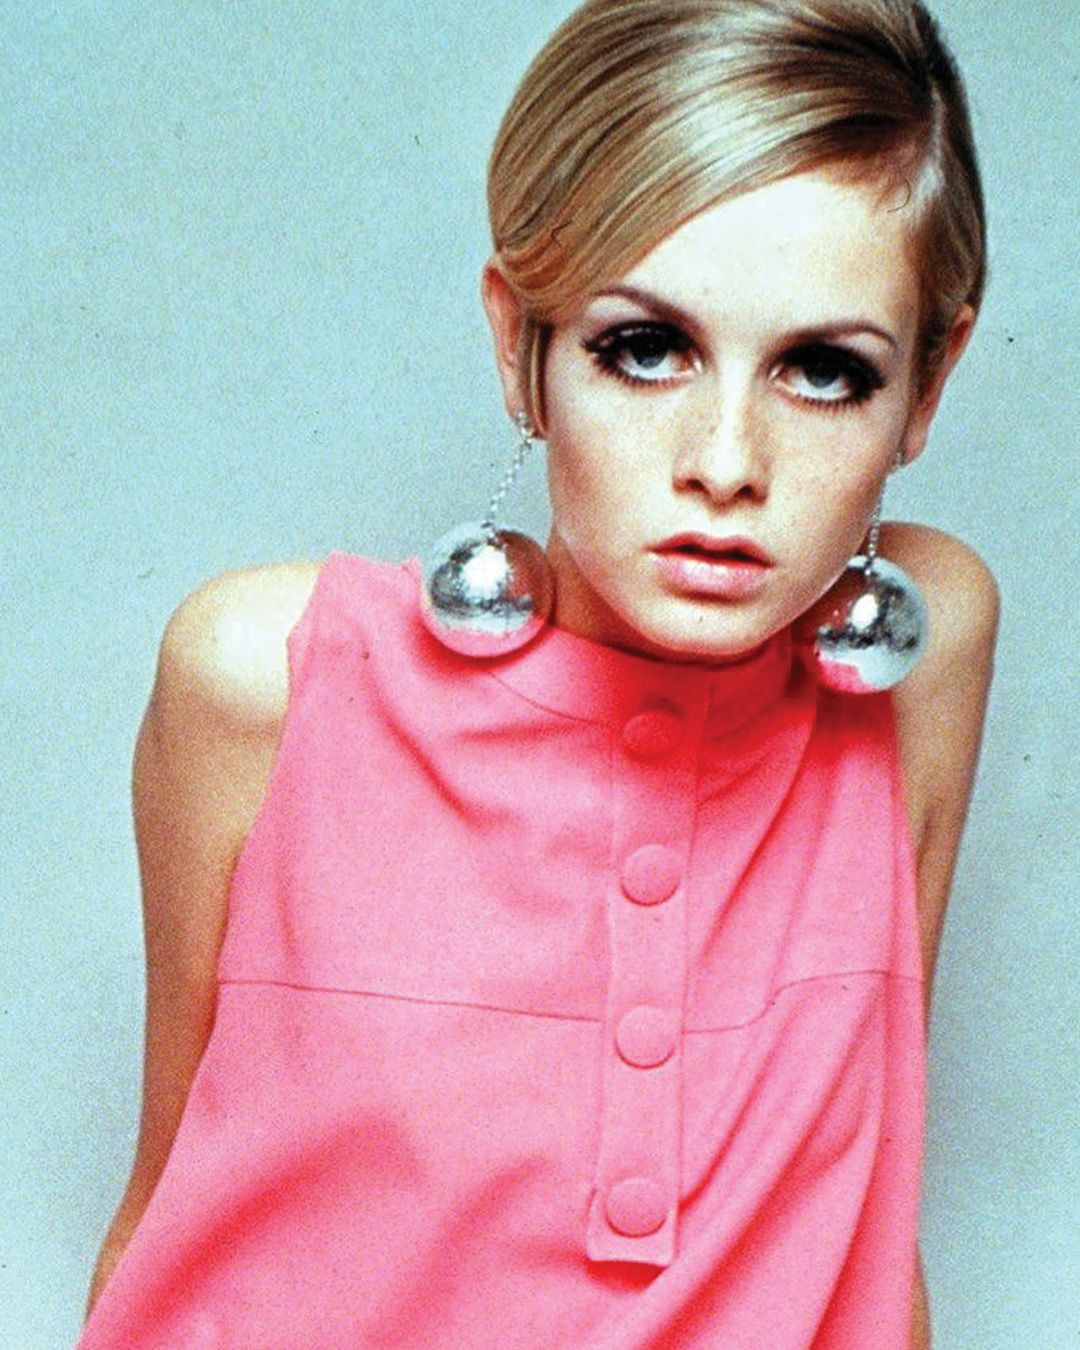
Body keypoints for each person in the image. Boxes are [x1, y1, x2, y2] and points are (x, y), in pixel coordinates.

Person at [79, 0, 998, 1345]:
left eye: (823, 370)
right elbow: (170, 1201)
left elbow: (867, 1193)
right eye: (646, 349)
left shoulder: (916, 653)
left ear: (928, 383)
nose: (726, 463)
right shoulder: (267, 677)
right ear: (522, 347)